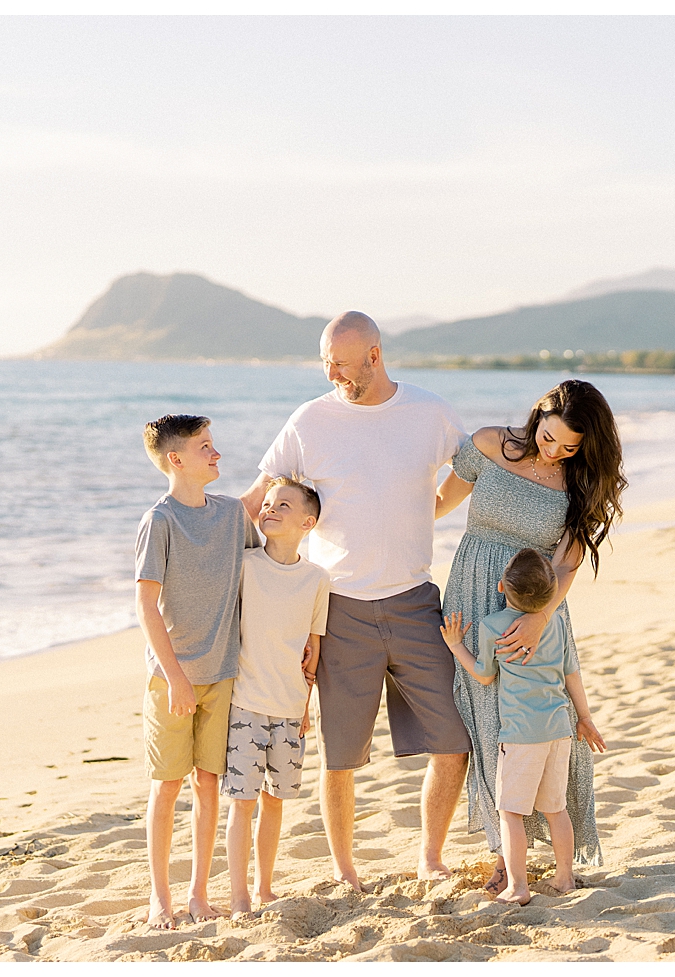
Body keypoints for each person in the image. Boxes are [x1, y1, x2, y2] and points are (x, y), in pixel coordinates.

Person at [241, 311, 471, 889]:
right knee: (340, 756)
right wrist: (193, 543)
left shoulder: (428, 411)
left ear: (374, 355)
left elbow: (471, 467)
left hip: (416, 603)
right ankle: (346, 870)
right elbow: (258, 499)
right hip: (338, 609)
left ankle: (430, 856)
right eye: (325, 363)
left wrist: (431, 508)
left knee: (453, 739)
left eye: (340, 363)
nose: (332, 374)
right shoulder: (309, 420)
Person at [434, 379, 627, 893]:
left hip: (539, 606)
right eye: (550, 438)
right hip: (473, 595)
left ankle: (535, 848)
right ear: (538, 415)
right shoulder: (488, 445)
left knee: (535, 719)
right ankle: (504, 853)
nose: (556, 452)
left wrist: (540, 617)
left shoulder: (578, 484)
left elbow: (566, 564)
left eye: (570, 447)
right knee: (485, 718)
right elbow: (434, 507)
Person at [135, 414, 259, 928]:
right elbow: (145, 605)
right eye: (205, 447)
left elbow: (267, 564)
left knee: (209, 784)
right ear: (176, 460)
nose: (217, 454)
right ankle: (159, 898)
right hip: (173, 679)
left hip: (223, 672)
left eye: (214, 445)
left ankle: (198, 894)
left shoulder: (232, 516)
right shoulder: (160, 521)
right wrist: (177, 679)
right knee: (167, 786)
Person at [440, 548, 607, 905]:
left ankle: (518, 884)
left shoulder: (493, 626)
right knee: (556, 808)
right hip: (559, 730)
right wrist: (585, 716)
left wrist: (456, 645)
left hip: (519, 736)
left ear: (500, 586)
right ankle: (564, 877)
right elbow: (570, 671)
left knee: (510, 812)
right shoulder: (557, 622)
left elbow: (484, 675)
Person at [222, 477, 331, 917]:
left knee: (274, 802)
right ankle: (239, 895)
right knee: (242, 803)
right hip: (245, 705)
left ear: (307, 522)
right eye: (267, 503)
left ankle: (265, 887)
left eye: (283, 504)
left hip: (290, 712)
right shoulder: (245, 565)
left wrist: (305, 711)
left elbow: (313, 655)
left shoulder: (316, 579)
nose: (270, 509)